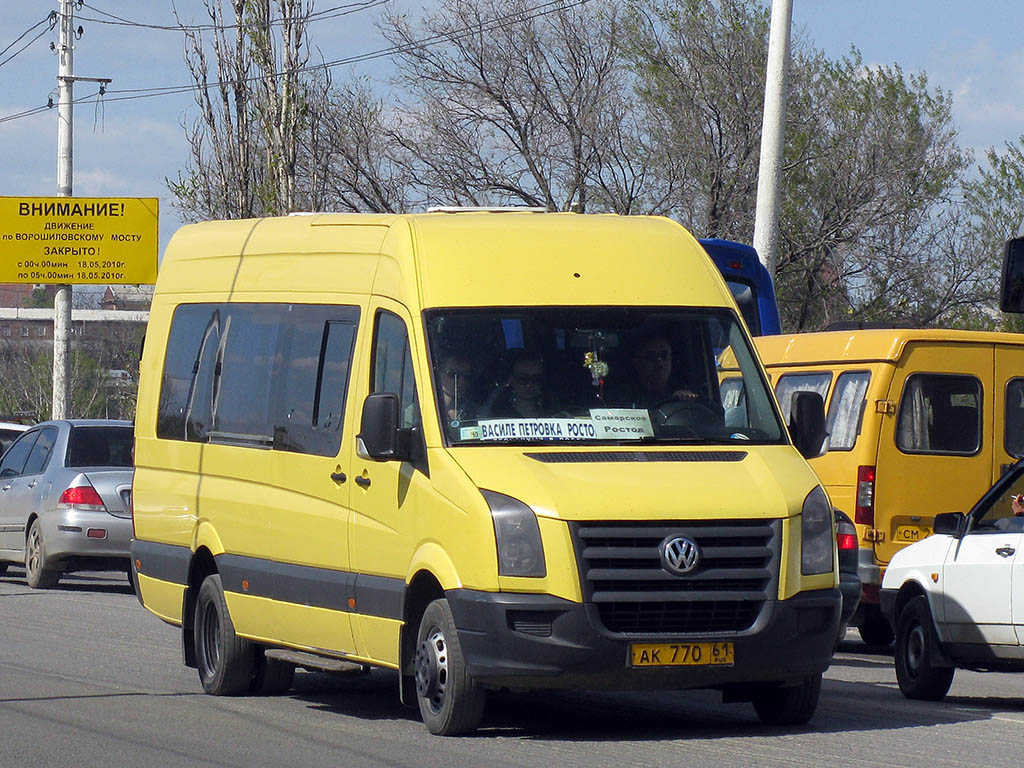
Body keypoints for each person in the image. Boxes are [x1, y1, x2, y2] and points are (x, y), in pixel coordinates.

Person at [628, 333, 698, 408]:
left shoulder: (686, 389)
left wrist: (685, 403)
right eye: (652, 356)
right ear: (637, 362)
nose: (660, 364)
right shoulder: (626, 395)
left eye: (665, 355)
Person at [485, 351, 550, 418]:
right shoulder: (498, 416)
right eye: (523, 379)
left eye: (536, 379)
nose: (530, 384)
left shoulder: (554, 415)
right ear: (511, 380)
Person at [437, 352, 479, 424]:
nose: (461, 381)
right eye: (453, 374)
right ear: (439, 375)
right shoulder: (418, 411)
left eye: (466, 376)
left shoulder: (476, 413)